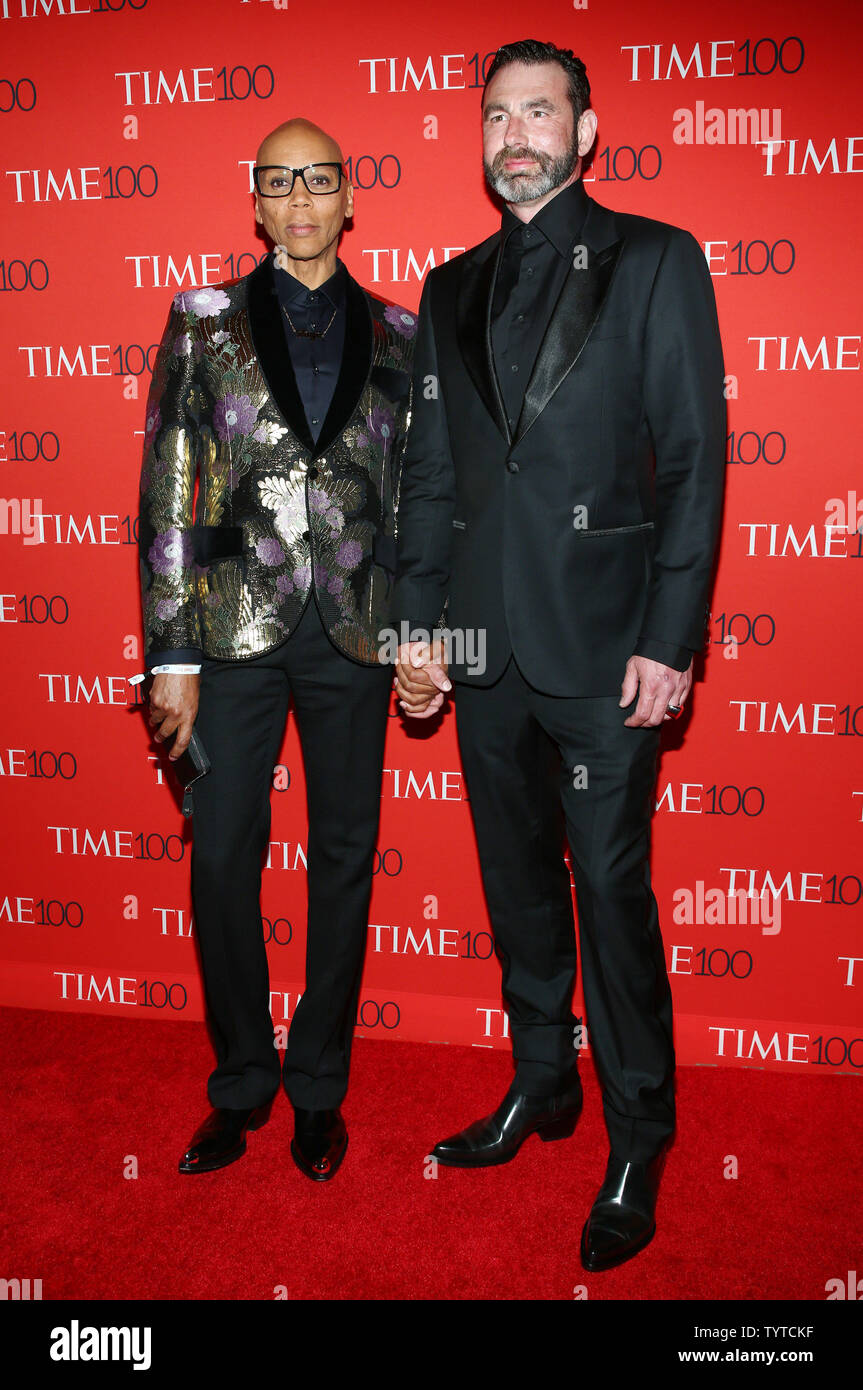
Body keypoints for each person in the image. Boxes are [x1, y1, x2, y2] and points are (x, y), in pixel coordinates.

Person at [394, 39, 725, 1270]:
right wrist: (419, 629)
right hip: (482, 648)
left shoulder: (654, 260)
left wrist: (669, 637)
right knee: (515, 887)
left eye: (538, 111)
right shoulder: (448, 286)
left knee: (611, 897)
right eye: (495, 114)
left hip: (602, 652)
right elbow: (431, 480)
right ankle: (545, 1081)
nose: (514, 132)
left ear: (585, 133)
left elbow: (693, 461)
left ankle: (639, 1129)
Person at [138, 118, 415, 1181]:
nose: (299, 200)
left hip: (353, 632)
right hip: (229, 633)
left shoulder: (398, 332)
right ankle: (242, 1081)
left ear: (349, 197)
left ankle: (318, 1086)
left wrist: (417, 627)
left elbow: (410, 501)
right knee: (220, 861)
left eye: (318, 180)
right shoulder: (201, 322)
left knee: (344, 860)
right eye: (277, 183)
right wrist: (173, 651)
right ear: (254, 204)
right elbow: (172, 490)